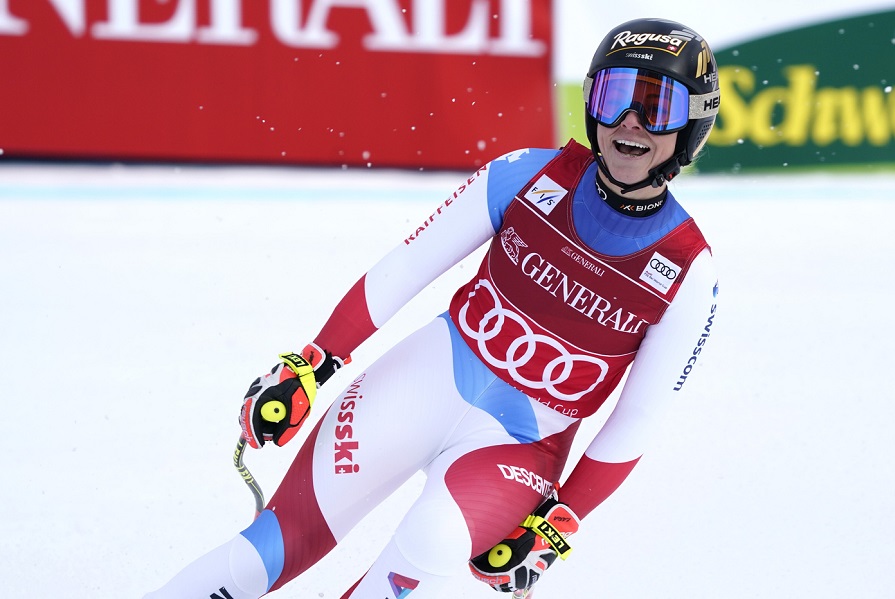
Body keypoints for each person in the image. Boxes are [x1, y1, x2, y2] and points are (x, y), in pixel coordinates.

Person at [145, 17, 721, 599]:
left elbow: (638, 418)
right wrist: (314, 361)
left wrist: (559, 522)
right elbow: (407, 266)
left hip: (518, 446)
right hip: (426, 376)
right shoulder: (527, 172)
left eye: (658, 107)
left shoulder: (688, 270)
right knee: (272, 546)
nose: (631, 121)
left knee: (433, 539)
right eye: (615, 97)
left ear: (692, 125)